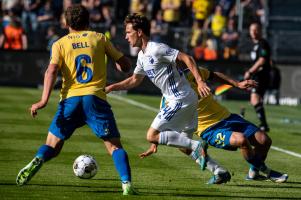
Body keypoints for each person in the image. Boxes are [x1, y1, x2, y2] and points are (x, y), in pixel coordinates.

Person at [16, 5, 137, 195]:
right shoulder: (99, 38)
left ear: (66, 23)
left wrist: (43, 101)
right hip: (95, 99)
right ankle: (127, 184)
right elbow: (126, 66)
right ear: (88, 21)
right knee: (114, 146)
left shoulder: (59, 44)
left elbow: (51, 71)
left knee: (52, 146)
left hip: (70, 100)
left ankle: (39, 158)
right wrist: (120, 61)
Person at [143, 66, 288, 183]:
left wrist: (237, 84)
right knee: (242, 140)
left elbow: (214, 75)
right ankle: (267, 171)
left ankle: (253, 173)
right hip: (209, 129)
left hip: (228, 117)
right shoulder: (168, 98)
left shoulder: (192, 73)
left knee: (264, 141)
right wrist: (154, 144)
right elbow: (163, 123)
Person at [106, 13, 211, 171]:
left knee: (151, 135)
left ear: (139, 32)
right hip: (185, 99)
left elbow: (187, 57)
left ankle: (197, 144)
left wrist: (200, 80)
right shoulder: (142, 56)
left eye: (128, 32)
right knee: (183, 146)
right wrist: (111, 87)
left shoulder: (157, 48)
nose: (126, 37)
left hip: (180, 98)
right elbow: (134, 80)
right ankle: (218, 171)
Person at [244, 22, 271, 132]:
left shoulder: (263, 44)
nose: (254, 32)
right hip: (257, 75)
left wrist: (250, 72)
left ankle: (264, 124)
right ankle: (264, 124)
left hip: (262, 75)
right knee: (256, 99)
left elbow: (262, 60)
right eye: (252, 30)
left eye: (256, 29)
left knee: (254, 98)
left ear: (260, 30)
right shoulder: (255, 45)